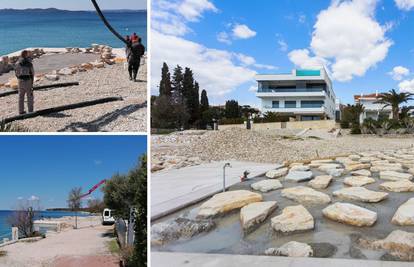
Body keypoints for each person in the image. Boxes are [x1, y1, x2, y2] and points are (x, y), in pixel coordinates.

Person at [14, 50, 34, 114]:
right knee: (29, 96)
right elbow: (32, 73)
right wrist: (32, 81)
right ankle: (30, 111)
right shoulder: (29, 63)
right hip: (28, 80)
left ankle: (21, 111)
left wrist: (19, 78)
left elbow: (16, 73)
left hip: (20, 80)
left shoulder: (17, 63)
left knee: (21, 96)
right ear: (26, 55)